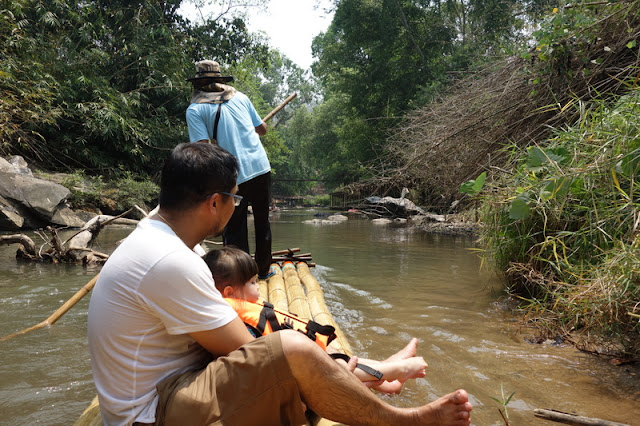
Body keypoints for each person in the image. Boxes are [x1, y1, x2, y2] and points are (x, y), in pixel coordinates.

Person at [87, 142, 472, 426]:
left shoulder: (154, 235)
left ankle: (382, 370)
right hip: (150, 414)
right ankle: (404, 419)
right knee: (291, 347)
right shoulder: (168, 260)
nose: (237, 205)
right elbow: (259, 353)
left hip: (166, 391)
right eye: (235, 198)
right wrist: (340, 364)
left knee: (292, 346)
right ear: (215, 203)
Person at [203, 246, 430, 386]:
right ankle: (396, 369)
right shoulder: (235, 322)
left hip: (299, 361)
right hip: (292, 374)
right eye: (253, 283)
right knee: (335, 366)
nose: (259, 287)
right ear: (230, 293)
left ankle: (389, 376)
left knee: (338, 358)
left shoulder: (237, 309)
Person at [185, 59, 275, 280]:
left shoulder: (195, 109)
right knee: (263, 221)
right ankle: (263, 270)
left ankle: (243, 277)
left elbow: (203, 150)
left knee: (234, 227)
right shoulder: (241, 98)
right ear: (220, 80)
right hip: (261, 168)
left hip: (233, 176)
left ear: (198, 83)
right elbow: (262, 130)